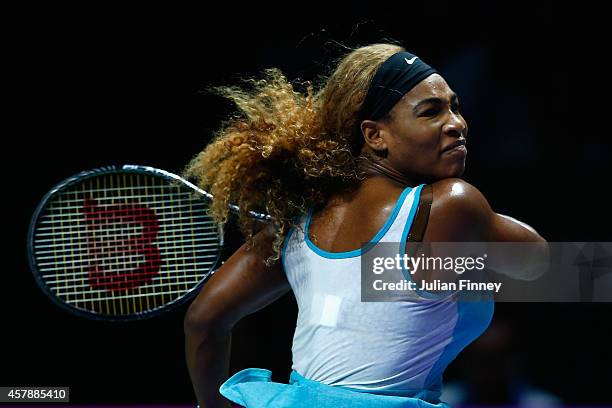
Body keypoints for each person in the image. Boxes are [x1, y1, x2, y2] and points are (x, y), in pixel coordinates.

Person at [182, 43, 547, 408]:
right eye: (431, 112)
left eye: (455, 106)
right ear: (375, 135)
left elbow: (203, 322)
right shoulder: (451, 203)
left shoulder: (296, 223)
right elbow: (537, 262)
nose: (456, 124)